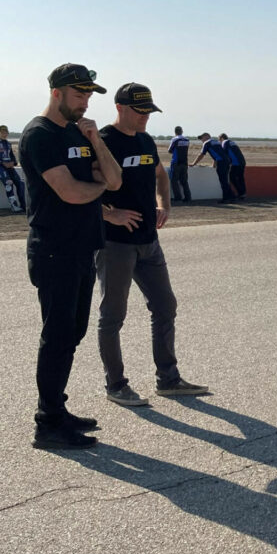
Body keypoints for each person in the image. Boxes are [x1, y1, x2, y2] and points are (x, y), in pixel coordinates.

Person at [19, 63, 122, 449]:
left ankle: (57, 410)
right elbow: (72, 193)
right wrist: (96, 183)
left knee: (72, 333)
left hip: (82, 247)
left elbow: (114, 180)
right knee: (57, 335)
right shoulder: (40, 135)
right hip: (53, 250)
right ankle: (46, 424)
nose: (85, 102)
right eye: (79, 95)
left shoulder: (78, 133)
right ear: (57, 93)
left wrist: (96, 141)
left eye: (89, 95)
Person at [97, 83, 209, 407]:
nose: (146, 117)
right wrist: (110, 213)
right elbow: (85, 190)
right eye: (140, 111)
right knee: (112, 315)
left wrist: (164, 204)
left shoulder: (146, 141)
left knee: (165, 305)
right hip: (115, 244)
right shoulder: (103, 142)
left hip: (149, 241)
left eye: (149, 111)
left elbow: (161, 175)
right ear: (120, 108)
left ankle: (168, 379)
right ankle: (116, 385)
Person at [0, 124, 26, 212]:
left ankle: (24, 206)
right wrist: (2, 163)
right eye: (2, 132)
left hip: (10, 167)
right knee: (9, 183)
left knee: (20, 183)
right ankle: (14, 205)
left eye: (6, 132)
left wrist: (14, 162)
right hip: (0, 167)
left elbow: (11, 155)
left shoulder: (8, 144)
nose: (4, 134)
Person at [191, 132, 233, 203]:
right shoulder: (217, 142)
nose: (202, 140)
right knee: (225, 180)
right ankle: (232, 197)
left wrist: (194, 163)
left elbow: (201, 154)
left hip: (221, 162)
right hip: (227, 161)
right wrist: (214, 165)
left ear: (207, 136)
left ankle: (226, 198)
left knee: (223, 181)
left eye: (202, 138)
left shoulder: (207, 143)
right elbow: (217, 154)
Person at [167, 126, 192, 203]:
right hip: (185, 162)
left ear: (175, 132)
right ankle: (188, 197)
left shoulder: (175, 139)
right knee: (184, 181)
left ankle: (178, 198)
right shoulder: (187, 139)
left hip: (176, 162)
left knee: (174, 180)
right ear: (182, 131)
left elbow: (170, 150)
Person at [219, 133, 247, 200]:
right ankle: (243, 194)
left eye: (219, 139)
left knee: (232, 178)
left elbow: (224, 153)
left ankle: (240, 193)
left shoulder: (224, 142)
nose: (219, 141)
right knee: (241, 179)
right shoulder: (232, 142)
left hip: (235, 163)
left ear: (221, 138)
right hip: (242, 162)